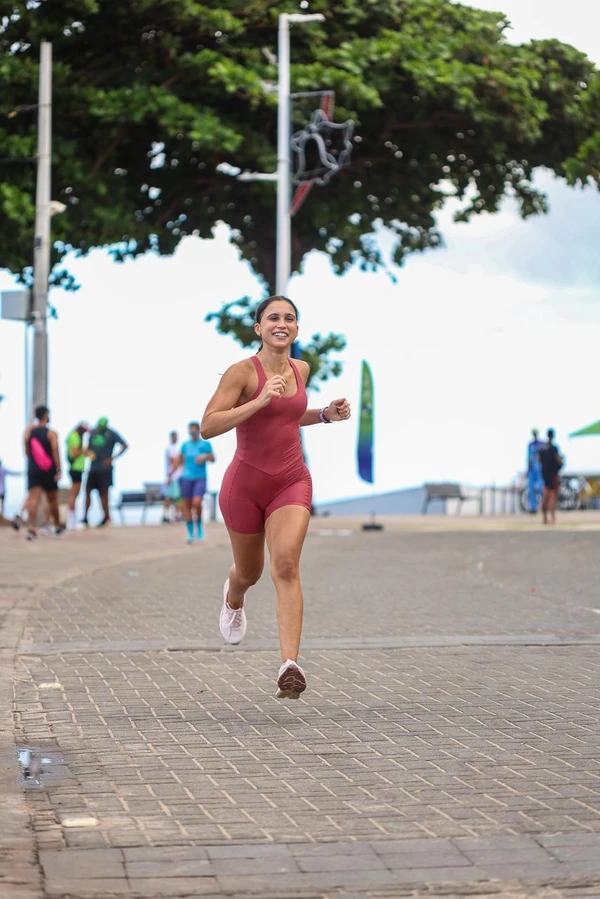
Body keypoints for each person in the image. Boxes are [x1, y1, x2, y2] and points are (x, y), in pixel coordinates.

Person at [200, 296, 351, 699]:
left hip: (291, 480)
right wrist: (260, 399)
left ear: (297, 329)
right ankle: (233, 597)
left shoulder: (301, 369)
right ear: (259, 328)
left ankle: (289, 665)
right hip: (244, 487)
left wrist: (322, 414)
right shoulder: (241, 373)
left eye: (289, 318)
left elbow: (287, 416)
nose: (281, 324)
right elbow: (208, 425)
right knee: (249, 572)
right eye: (272, 318)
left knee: (285, 564)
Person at [23, 405, 65, 540]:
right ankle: (58, 526)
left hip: (33, 468)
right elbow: (55, 450)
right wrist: (58, 467)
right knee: (52, 498)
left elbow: (27, 451)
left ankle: (32, 528)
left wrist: (33, 461)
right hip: (48, 469)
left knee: (34, 498)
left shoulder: (29, 431)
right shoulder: (51, 433)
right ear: (46, 415)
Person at [170, 422, 214, 543]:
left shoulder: (205, 444)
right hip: (186, 478)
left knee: (197, 503)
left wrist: (205, 457)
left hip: (200, 477)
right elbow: (178, 461)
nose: (193, 434)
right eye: (191, 432)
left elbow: (213, 458)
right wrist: (170, 476)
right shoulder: (185, 445)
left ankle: (199, 526)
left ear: (198, 431)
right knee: (187, 505)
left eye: (195, 431)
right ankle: (190, 532)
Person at [83, 417, 128, 527]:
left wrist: (113, 458)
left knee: (104, 493)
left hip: (105, 469)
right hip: (93, 467)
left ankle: (106, 517)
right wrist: (89, 453)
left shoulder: (112, 433)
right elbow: (88, 448)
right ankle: (85, 517)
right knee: (88, 491)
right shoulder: (93, 432)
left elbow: (125, 445)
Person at [65, 422, 90, 529]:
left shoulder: (75, 436)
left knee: (75, 493)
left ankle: (72, 519)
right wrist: (85, 451)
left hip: (78, 469)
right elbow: (74, 452)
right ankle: (71, 520)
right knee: (73, 494)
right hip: (75, 468)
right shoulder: (74, 436)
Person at [538, 428, 564, 525]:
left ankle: (545, 519)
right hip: (553, 475)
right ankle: (553, 519)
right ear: (553, 436)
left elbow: (538, 460)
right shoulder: (553, 448)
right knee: (553, 497)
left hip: (544, 474)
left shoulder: (542, 448)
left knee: (545, 496)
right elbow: (558, 460)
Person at [163, 430, 183, 523]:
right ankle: (168, 515)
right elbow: (174, 461)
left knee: (177, 497)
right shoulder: (170, 449)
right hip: (172, 476)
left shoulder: (177, 448)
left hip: (176, 476)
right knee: (170, 497)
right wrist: (170, 475)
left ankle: (177, 515)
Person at [526, 428, 544, 514]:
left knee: (541, 488)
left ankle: (544, 506)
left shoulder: (541, 444)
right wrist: (528, 468)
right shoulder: (530, 444)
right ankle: (532, 507)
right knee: (531, 489)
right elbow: (528, 457)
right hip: (532, 468)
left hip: (540, 468)